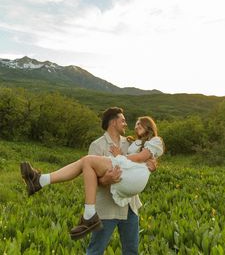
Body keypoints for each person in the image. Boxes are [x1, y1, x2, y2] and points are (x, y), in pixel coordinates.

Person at [20, 107, 164, 253]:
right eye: (123, 120)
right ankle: (41, 181)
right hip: (108, 208)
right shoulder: (97, 145)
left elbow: (144, 157)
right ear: (113, 122)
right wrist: (106, 179)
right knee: (95, 251)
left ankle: (41, 181)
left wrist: (152, 164)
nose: (127, 124)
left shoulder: (130, 142)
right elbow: (92, 180)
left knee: (131, 251)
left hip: (130, 207)